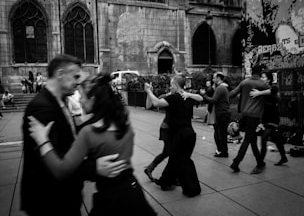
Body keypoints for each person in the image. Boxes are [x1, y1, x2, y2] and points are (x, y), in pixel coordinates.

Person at [28, 73, 157, 216]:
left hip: (112, 200)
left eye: (81, 97)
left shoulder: (89, 133)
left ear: (93, 100)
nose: (81, 101)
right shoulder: (123, 121)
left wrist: (42, 141)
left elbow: (61, 170)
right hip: (133, 192)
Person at [21, 54, 127, 216]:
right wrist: (94, 168)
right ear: (60, 74)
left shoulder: (60, 101)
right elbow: (55, 158)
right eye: (75, 76)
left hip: (64, 195)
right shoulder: (42, 108)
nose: (78, 82)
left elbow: (69, 135)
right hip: (50, 200)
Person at [144, 75, 202, 197]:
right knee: (177, 158)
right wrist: (189, 94)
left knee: (181, 161)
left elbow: (155, 103)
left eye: (171, 84)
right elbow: (201, 98)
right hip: (189, 134)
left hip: (180, 135)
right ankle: (166, 181)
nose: (170, 86)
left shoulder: (174, 98)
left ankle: (191, 188)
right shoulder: (185, 97)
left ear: (175, 85)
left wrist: (149, 91)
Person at [229, 64, 269, 174]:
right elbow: (274, 95)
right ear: (260, 72)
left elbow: (232, 94)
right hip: (254, 115)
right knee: (248, 139)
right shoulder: (262, 83)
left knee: (252, 140)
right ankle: (236, 162)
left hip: (245, 114)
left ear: (251, 71)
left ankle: (260, 162)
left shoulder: (245, 82)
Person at [250, 71, 288, 166]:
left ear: (269, 79)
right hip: (265, 119)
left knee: (264, 138)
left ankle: (261, 162)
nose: (261, 79)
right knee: (276, 139)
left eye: (263, 77)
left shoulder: (273, 87)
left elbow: (273, 91)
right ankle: (283, 158)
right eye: (261, 77)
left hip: (273, 118)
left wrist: (259, 93)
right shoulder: (261, 89)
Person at [200, 72, 230, 157]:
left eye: (214, 78)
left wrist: (204, 95)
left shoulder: (220, 88)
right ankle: (223, 151)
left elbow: (213, 100)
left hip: (221, 112)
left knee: (221, 133)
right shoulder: (223, 87)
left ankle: (223, 151)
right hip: (223, 112)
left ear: (219, 78)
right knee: (221, 133)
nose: (213, 79)